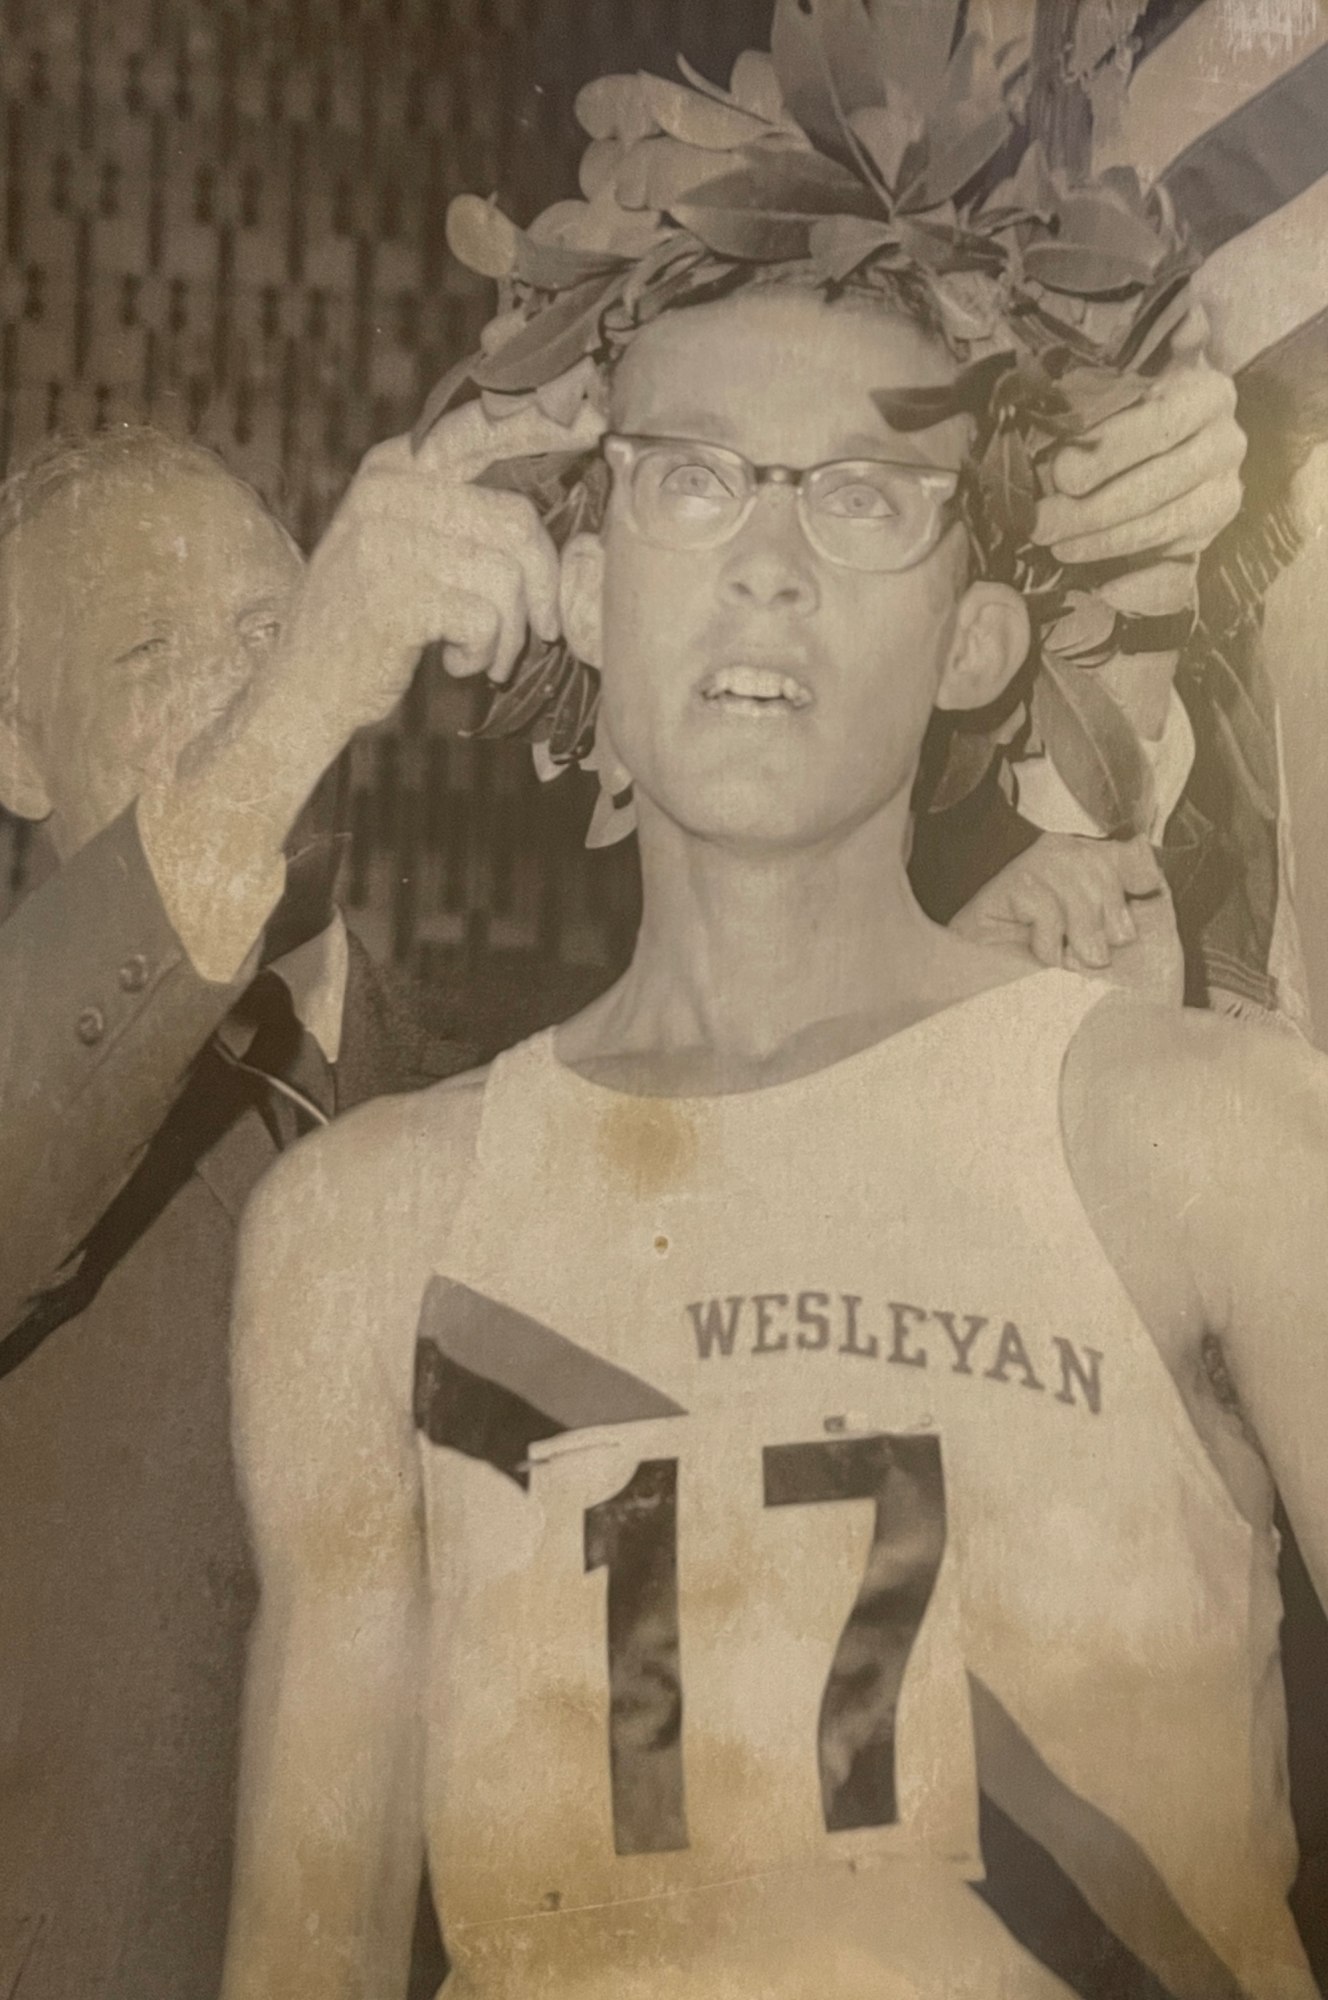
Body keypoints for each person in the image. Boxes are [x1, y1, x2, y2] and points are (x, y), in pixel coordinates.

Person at [221, 66, 1327, 2000]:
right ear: (583, 590)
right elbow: (300, 1959)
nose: (769, 561)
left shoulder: (1206, 1138)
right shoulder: (366, 1233)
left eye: (869, 498)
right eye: (691, 478)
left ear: (979, 639)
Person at [0, 415, 592, 2000]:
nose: (244, 684)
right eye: (149, 648)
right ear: (14, 749)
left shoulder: (515, 1094)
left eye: (277, 624)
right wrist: (297, 693)